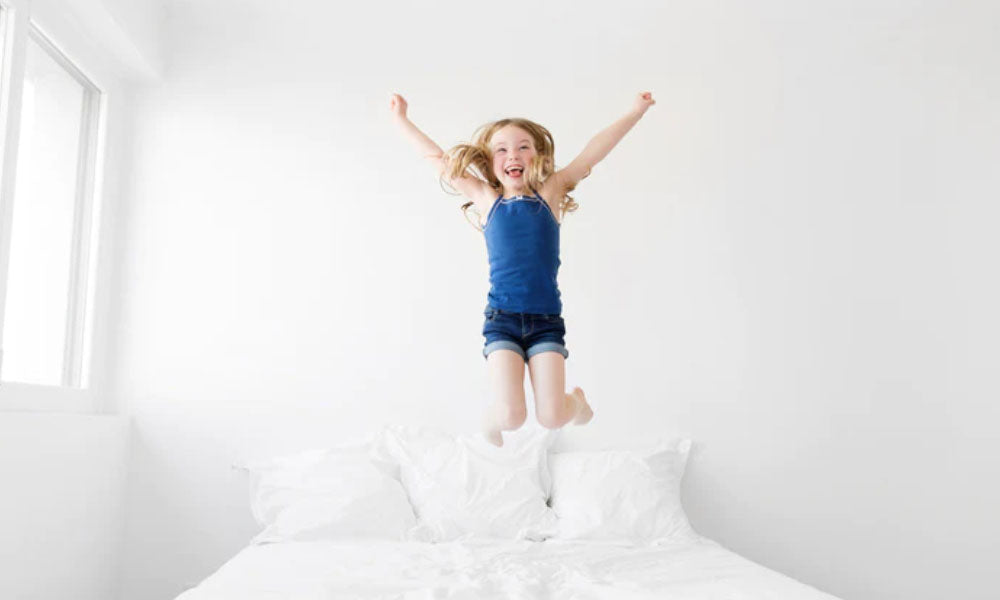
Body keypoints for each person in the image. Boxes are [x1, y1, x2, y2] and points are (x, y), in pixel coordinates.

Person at [390, 91, 656, 446]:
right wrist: (402, 121)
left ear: (538, 156)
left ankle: (575, 403)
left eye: (523, 147)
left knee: (552, 417)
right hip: (502, 319)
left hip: (545, 320)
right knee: (511, 417)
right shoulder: (488, 199)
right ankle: (490, 418)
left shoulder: (550, 192)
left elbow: (595, 151)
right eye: (501, 149)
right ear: (489, 161)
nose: (513, 155)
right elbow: (438, 159)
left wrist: (635, 112)